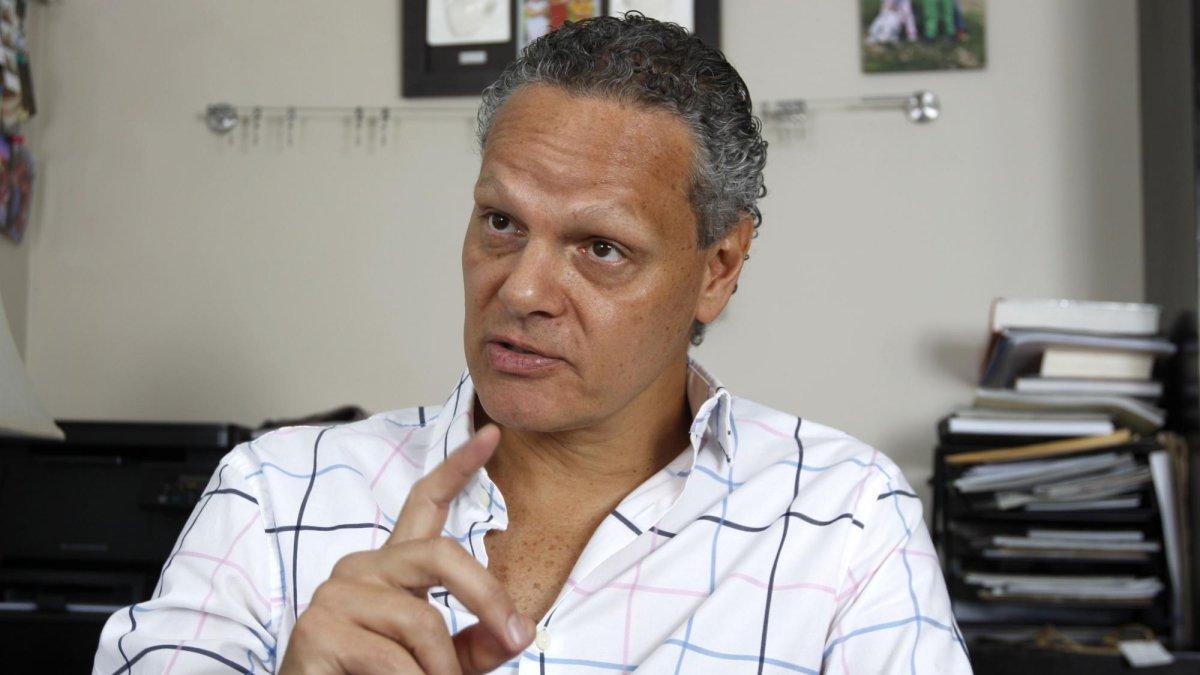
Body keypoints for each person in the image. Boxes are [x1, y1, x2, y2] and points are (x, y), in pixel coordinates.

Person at [93, 13, 971, 674]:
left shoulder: (844, 523)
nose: (520, 290)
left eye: (601, 248)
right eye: (502, 223)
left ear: (719, 267)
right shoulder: (271, 498)